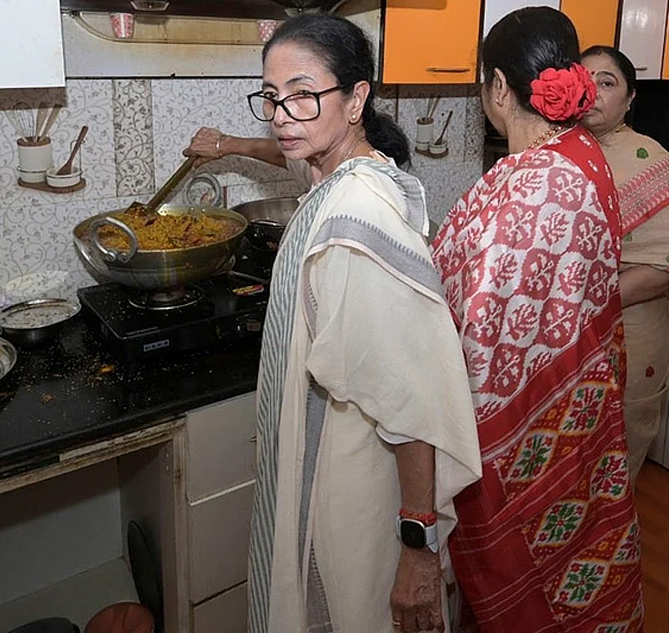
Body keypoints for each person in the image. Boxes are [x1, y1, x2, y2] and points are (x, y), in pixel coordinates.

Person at [184, 14, 482, 633]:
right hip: (339, 460)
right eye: (271, 97)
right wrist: (231, 145)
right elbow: (288, 150)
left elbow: (412, 403)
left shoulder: (356, 221)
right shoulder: (345, 167)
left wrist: (418, 546)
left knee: (350, 607)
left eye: (302, 94)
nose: (281, 115)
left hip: (352, 486)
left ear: (356, 99)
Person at [430, 7, 645, 632]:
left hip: (521, 426)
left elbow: (480, 328)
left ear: (499, 87)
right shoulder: (582, 153)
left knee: (531, 576)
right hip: (579, 396)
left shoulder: (527, 187)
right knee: (580, 542)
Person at [580, 45, 669, 480]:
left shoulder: (649, 159)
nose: (593, 92)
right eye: (584, 80)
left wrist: (588, 302)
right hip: (570, 339)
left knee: (616, 450)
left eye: (607, 82)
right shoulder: (557, 153)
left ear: (630, 98)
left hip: (631, 331)